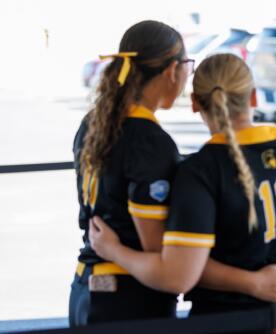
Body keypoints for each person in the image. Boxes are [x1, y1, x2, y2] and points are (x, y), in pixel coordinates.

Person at [89, 53, 276, 322]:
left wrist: (114, 251)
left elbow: (179, 274)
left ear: (195, 103)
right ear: (253, 97)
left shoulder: (200, 171)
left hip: (225, 321)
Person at [69, 20, 190, 326]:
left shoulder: (94, 122)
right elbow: (157, 252)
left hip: (87, 286)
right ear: (171, 71)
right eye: (188, 65)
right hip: (129, 297)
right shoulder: (148, 140)